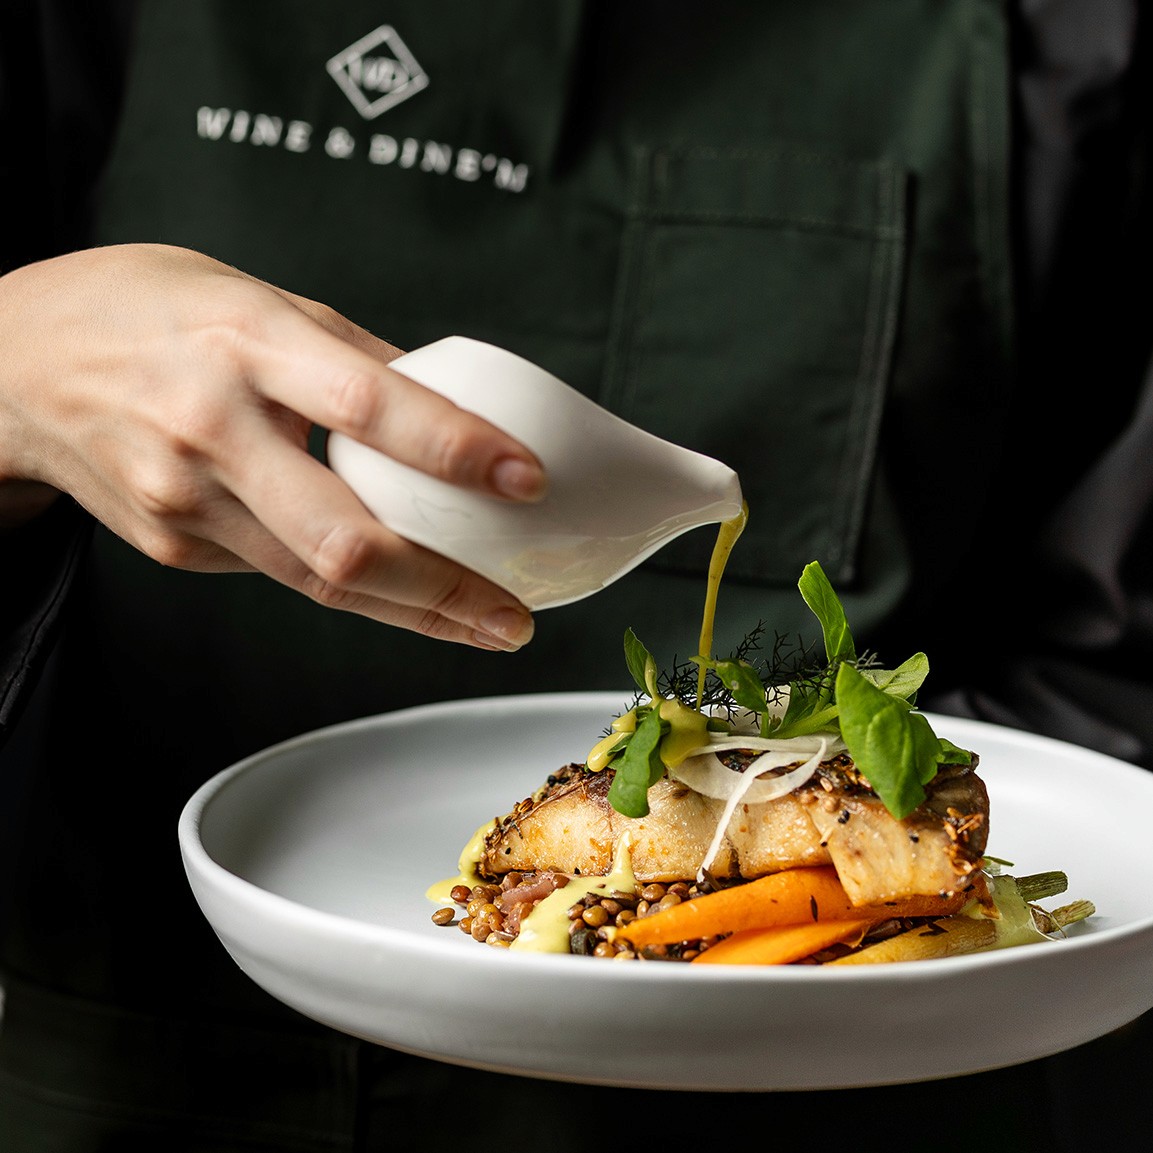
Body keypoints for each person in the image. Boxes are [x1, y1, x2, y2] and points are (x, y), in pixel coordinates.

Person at [1, 1, 1150, 1150]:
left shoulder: (1082, 36)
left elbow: (1113, 649)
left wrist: (886, 965)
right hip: (163, 1044)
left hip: (865, 1091)